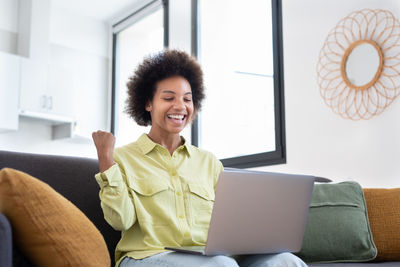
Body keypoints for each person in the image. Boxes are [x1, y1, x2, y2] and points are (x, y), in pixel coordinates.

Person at [92, 49, 307, 267]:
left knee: (286, 261)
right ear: (148, 103)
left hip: (207, 256)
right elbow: (120, 220)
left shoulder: (209, 162)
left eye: (187, 99)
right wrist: (105, 159)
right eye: (168, 98)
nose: (180, 106)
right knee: (221, 265)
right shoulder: (123, 158)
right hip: (146, 256)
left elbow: (230, 224)